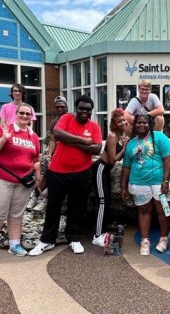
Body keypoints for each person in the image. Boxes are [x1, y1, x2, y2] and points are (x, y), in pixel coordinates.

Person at [29, 95, 102, 256]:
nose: (85, 112)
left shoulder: (95, 126)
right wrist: (84, 140)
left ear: (92, 111)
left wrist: (71, 141)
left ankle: (74, 238)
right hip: (57, 172)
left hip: (82, 173)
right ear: (76, 109)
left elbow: (97, 149)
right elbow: (58, 134)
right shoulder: (67, 118)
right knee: (53, 207)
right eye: (82, 108)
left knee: (77, 208)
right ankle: (46, 241)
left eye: (88, 109)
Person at [0, 103, 41, 259]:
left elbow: (35, 159)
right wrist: (3, 139)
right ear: (16, 113)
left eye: (28, 114)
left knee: (16, 215)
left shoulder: (33, 136)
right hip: (1, 178)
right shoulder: (5, 129)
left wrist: (37, 176)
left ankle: (15, 245)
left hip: (23, 182)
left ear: (31, 117)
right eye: (22, 113)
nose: (25, 116)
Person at [120, 114, 170, 256]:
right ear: (134, 125)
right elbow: (126, 167)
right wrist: (123, 187)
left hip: (160, 182)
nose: (141, 125)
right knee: (143, 211)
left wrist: (166, 180)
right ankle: (145, 241)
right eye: (138, 123)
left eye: (144, 122)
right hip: (139, 182)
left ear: (149, 123)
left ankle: (164, 239)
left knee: (163, 210)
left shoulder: (159, 137)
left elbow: (168, 158)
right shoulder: (132, 143)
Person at [91, 108, 129, 247]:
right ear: (114, 124)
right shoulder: (113, 136)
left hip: (106, 171)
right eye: (119, 121)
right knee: (102, 202)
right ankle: (97, 235)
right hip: (100, 168)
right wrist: (124, 148)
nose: (123, 122)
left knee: (107, 201)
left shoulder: (121, 135)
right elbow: (113, 160)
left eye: (124, 120)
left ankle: (102, 231)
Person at [26, 95, 68, 212]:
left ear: (66, 108)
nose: (59, 109)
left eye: (62, 106)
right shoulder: (54, 122)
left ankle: (43, 197)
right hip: (56, 155)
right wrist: (49, 154)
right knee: (46, 169)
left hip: (66, 155)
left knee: (51, 174)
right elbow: (52, 140)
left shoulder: (71, 119)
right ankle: (36, 195)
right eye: (57, 107)